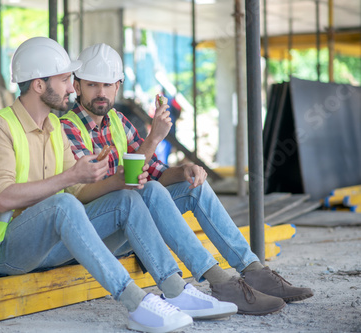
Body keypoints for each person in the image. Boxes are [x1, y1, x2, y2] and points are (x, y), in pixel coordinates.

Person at [0, 37, 240, 333]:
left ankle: (175, 289)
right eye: (64, 80)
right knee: (63, 204)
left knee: (127, 198)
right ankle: (137, 303)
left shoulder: (55, 129)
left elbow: (79, 191)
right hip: (4, 252)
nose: (71, 88)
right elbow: (4, 198)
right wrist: (70, 178)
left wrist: (113, 181)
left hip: (50, 248)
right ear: (38, 85)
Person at [60, 43, 314, 316]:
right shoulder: (67, 128)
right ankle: (220, 282)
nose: (101, 93)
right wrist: (154, 138)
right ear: (76, 86)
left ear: (118, 86)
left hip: (135, 225)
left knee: (194, 187)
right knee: (149, 191)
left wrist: (184, 171)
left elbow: (155, 171)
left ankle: (254, 271)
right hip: (98, 235)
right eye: (92, 85)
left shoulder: (119, 122)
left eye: (108, 85)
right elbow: (117, 185)